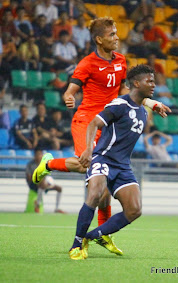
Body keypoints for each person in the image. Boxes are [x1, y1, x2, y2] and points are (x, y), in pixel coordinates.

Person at [31, 17, 169, 256]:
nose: (117, 37)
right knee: (89, 165)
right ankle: (49, 164)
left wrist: (150, 102)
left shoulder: (121, 61)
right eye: (112, 34)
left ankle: (102, 234)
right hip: (88, 120)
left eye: (116, 33)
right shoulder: (87, 63)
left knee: (101, 183)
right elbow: (71, 89)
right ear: (99, 39)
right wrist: (69, 98)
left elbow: (128, 90)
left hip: (111, 119)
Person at [69, 64, 169, 260]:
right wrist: (89, 149)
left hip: (123, 165)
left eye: (154, 81)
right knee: (96, 193)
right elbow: (94, 123)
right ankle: (76, 244)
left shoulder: (142, 112)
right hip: (103, 158)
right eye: (149, 81)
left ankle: (94, 236)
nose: (153, 85)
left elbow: (141, 102)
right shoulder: (119, 104)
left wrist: (152, 103)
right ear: (136, 83)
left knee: (135, 209)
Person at [26, 148, 65, 213]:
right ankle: (37, 205)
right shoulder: (30, 165)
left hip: (45, 184)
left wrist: (49, 182)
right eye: (38, 154)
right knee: (41, 182)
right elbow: (29, 178)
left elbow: (48, 175)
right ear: (34, 155)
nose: (39, 156)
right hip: (33, 184)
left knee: (59, 188)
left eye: (41, 154)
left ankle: (56, 208)